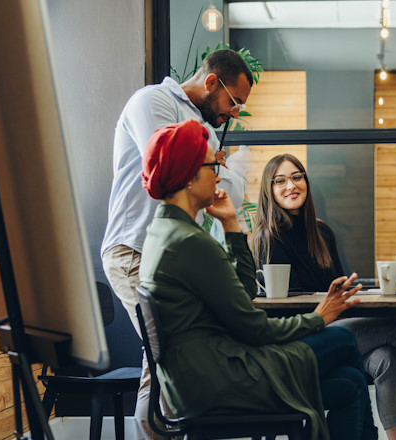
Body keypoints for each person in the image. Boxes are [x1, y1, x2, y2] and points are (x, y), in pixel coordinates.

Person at [138, 120, 379, 440]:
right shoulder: (188, 242)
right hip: (223, 379)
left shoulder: (165, 232)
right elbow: (253, 327)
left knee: (349, 381)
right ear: (190, 175)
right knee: (343, 340)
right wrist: (317, 318)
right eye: (214, 164)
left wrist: (231, 225)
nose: (219, 173)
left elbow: (245, 291)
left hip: (197, 380)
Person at [99, 49, 253, 439]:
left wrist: (215, 165)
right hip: (134, 249)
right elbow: (168, 166)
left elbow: (228, 195)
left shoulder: (207, 129)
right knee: (168, 350)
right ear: (212, 83)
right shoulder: (153, 101)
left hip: (173, 259)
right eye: (234, 102)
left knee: (170, 355)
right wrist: (218, 164)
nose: (235, 113)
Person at [253, 154, 396, 440]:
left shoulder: (321, 231)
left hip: (332, 327)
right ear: (269, 190)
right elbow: (289, 306)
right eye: (280, 181)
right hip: (302, 336)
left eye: (297, 177)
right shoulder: (268, 236)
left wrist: (364, 293)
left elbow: (337, 293)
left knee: (388, 359)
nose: (291, 185)